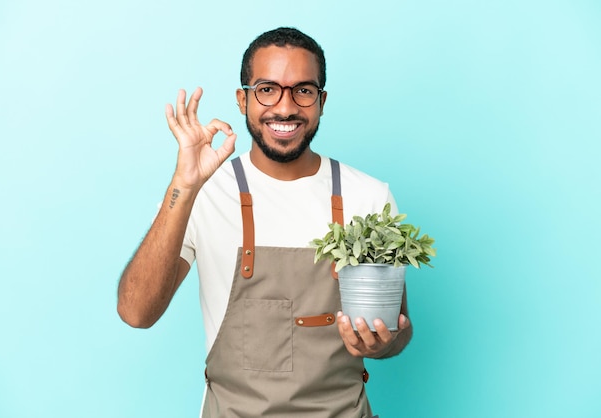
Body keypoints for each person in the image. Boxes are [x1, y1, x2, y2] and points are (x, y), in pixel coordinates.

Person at [117, 27, 412, 418]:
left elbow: (398, 328)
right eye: (267, 89)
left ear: (322, 101)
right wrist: (183, 186)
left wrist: (382, 344)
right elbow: (136, 312)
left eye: (303, 90)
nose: (285, 107)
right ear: (243, 99)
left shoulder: (369, 196)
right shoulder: (203, 193)